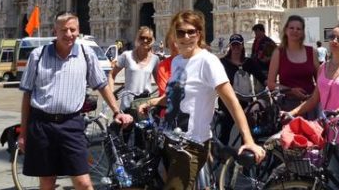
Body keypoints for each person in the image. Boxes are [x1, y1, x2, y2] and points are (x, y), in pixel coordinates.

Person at [139, 10, 265, 189]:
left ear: (199, 34)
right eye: (181, 32)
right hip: (170, 140)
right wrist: (152, 102)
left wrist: (248, 140)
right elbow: (176, 96)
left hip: (191, 145)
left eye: (191, 31)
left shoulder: (208, 61)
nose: (186, 36)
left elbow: (232, 102)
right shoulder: (177, 61)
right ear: (174, 35)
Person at [18, 12, 132, 190]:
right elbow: (27, 95)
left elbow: (102, 85)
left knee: (84, 183)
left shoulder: (87, 55)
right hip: (42, 125)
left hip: (71, 124)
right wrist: (23, 133)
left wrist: (117, 111)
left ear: (78, 30)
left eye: (72, 29)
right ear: (55, 31)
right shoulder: (37, 55)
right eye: (64, 30)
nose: (69, 34)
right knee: (47, 182)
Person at [285, 23, 339, 189]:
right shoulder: (323, 68)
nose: (335, 41)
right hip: (328, 132)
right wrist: (291, 113)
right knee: (332, 181)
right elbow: (315, 99)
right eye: (332, 37)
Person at [217, 33, 267, 145]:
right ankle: (220, 157)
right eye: (233, 45)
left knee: (247, 130)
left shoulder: (248, 62)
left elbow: (260, 76)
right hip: (227, 102)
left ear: (242, 45)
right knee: (225, 131)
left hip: (245, 101)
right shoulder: (223, 62)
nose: (236, 48)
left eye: (238, 45)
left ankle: (245, 152)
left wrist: (269, 84)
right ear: (230, 46)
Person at [267, 15, 319, 113]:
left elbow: (320, 81)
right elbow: (270, 84)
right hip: (287, 105)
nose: (295, 31)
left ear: (303, 32)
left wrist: (314, 96)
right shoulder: (278, 53)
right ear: (286, 30)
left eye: (298, 29)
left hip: (310, 104)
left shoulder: (312, 52)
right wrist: (290, 90)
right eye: (291, 28)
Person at [108, 26, 160, 112]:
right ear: (137, 38)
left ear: (152, 40)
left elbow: (159, 82)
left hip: (145, 105)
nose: (145, 41)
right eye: (142, 38)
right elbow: (111, 74)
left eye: (149, 39)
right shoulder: (127, 55)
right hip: (127, 105)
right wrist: (112, 93)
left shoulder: (155, 59)